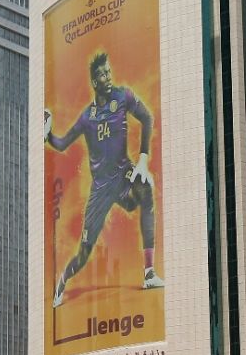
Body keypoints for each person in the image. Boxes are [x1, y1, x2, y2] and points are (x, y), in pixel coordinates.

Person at [45, 51, 162, 308]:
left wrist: (142, 159)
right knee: (84, 253)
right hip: (101, 190)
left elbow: (147, 118)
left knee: (145, 190)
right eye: (102, 74)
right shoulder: (87, 117)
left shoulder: (124, 96)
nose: (108, 76)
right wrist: (48, 135)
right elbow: (62, 144)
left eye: (109, 71)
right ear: (94, 82)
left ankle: (149, 272)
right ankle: (63, 281)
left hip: (123, 174)